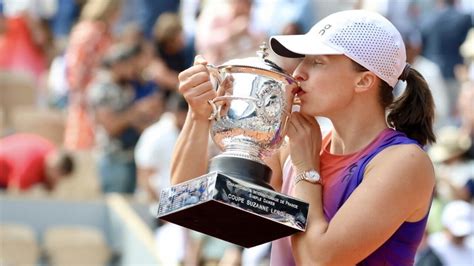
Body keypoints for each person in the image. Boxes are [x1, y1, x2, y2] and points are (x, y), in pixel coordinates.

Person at [171, 9, 436, 265]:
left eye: (318, 62)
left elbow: (319, 260)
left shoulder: (405, 162)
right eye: (303, 59)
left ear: (364, 81)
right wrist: (198, 114)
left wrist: (307, 170)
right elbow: (189, 203)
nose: (298, 73)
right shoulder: (297, 147)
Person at [0, 133, 74, 191]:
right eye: (57, 177)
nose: (56, 181)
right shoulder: (28, 168)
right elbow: (14, 195)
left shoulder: (49, 150)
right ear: (55, 170)